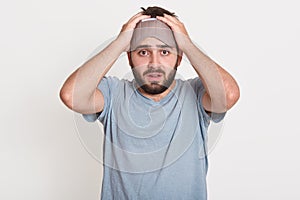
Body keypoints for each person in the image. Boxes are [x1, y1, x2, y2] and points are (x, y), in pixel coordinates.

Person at [60, 6, 240, 200]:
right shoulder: (113, 93)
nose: (154, 63)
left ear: (179, 58)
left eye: (165, 52)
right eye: (143, 52)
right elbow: (71, 95)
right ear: (129, 57)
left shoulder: (196, 93)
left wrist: (187, 45)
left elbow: (229, 95)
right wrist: (119, 43)